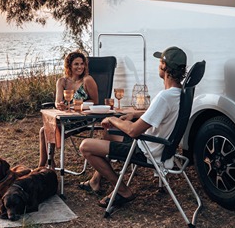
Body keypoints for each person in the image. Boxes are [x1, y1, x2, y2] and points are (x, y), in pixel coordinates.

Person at [79, 46, 187, 208]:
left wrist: (113, 119)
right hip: (158, 147)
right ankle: (95, 181)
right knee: (109, 135)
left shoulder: (164, 97)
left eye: (159, 62)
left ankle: (122, 190)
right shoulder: (179, 93)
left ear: (164, 67)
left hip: (146, 151)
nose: (158, 65)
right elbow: (159, 112)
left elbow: (133, 130)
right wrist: (134, 115)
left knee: (85, 146)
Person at [38, 51, 99, 167]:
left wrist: (76, 104)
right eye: (76, 64)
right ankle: (47, 164)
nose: (80, 67)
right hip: (64, 117)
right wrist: (59, 105)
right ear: (69, 65)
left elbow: (95, 102)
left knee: (44, 130)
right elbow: (57, 102)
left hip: (82, 118)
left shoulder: (87, 80)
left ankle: (45, 165)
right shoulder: (62, 81)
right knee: (44, 129)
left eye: (82, 64)